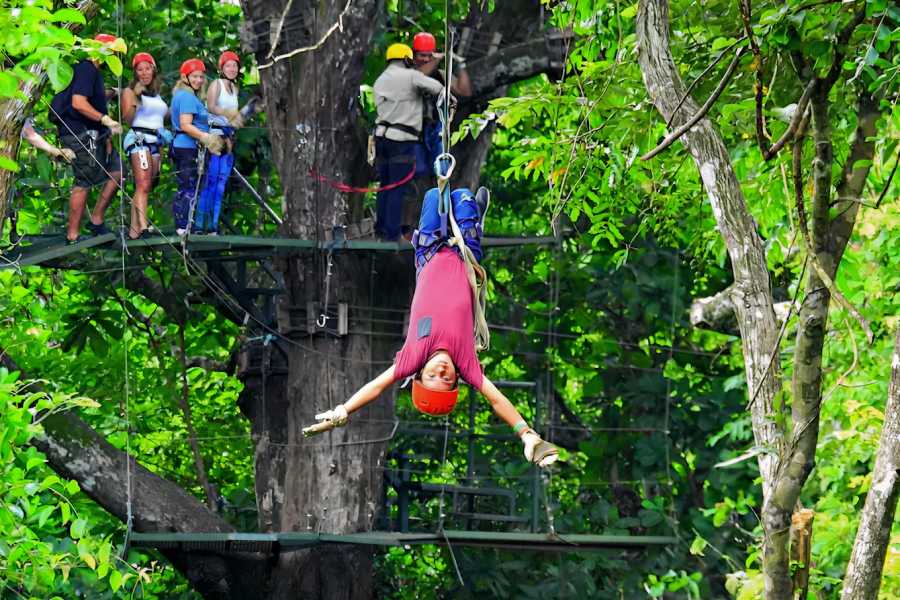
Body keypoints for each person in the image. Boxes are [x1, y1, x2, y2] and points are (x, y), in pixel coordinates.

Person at [304, 186, 559, 468]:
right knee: (462, 197)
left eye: (432, 378)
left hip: (428, 252)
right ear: (456, 379)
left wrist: (343, 410)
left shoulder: (412, 357)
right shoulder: (466, 362)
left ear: (418, 375)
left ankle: (462, 214)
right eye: (447, 381)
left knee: (433, 196)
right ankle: (473, 222)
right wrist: (526, 434)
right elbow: (497, 401)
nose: (442, 373)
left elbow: (376, 387)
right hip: (466, 257)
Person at [49, 33, 125, 243]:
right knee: (83, 181)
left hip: (95, 135)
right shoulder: (86, 68)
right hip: (80, 134)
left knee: (118, 171)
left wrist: (106, 133)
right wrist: (106, 120)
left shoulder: (94, 72)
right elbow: (78, 103)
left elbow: (91, 99)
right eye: (111, 51)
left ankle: (96, 220)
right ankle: (72, 235)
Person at [372, 43, 444, 241]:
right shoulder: (410, 76)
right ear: (406, 59)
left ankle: (381, 229)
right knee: (397, 187)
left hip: (381, 139)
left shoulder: (380, 80)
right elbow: (438, 88)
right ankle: (392, 234)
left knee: (384, 185)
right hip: (402, 140)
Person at [170, 58, 224, 236]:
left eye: (201, 77)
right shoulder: (185, 96)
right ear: (185, 77)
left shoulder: (190, 96)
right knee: (188, 186)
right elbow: (185, 124)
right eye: (194, 76)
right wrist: (206, 137)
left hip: (191, 147)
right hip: (187, 147)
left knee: (194, 186)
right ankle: (183, 225)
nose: (199, 80)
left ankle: (189, 224)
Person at [121, 52, 170, 240]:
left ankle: (134, 231)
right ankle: (143, 226)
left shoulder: (157, 95)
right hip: (139, 140)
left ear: (153, 69)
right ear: (135, 72)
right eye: (139, 69)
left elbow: (161, 117)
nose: (144, 73)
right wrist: (135, 98)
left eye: (147, 68)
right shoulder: (130, 91)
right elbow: (128, 119)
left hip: (156, 142)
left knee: (148, 185)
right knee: (142, 184)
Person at [195, 50, 244, 235]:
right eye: (228, 65)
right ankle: (200, 225)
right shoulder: (217, 84)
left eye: (235, 65)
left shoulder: (234, 89)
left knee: (221, 184)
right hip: (216, 136)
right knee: (211, 181)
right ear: (222, 68)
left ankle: (213, 226)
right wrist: (228, 114)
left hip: (229, 138)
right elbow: (211, 107)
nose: (232, 69)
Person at [411, 32, 472, 174]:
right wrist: (439, 57)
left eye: (429, 55)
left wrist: (459, 64)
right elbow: (420, 76)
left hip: (434, 129)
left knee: (442, 170)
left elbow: (465, 91)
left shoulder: (439, 74)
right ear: (414, 55)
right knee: (418, 171)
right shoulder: (408, 72)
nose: (426, 59)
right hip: (413, 131)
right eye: (422, 55)